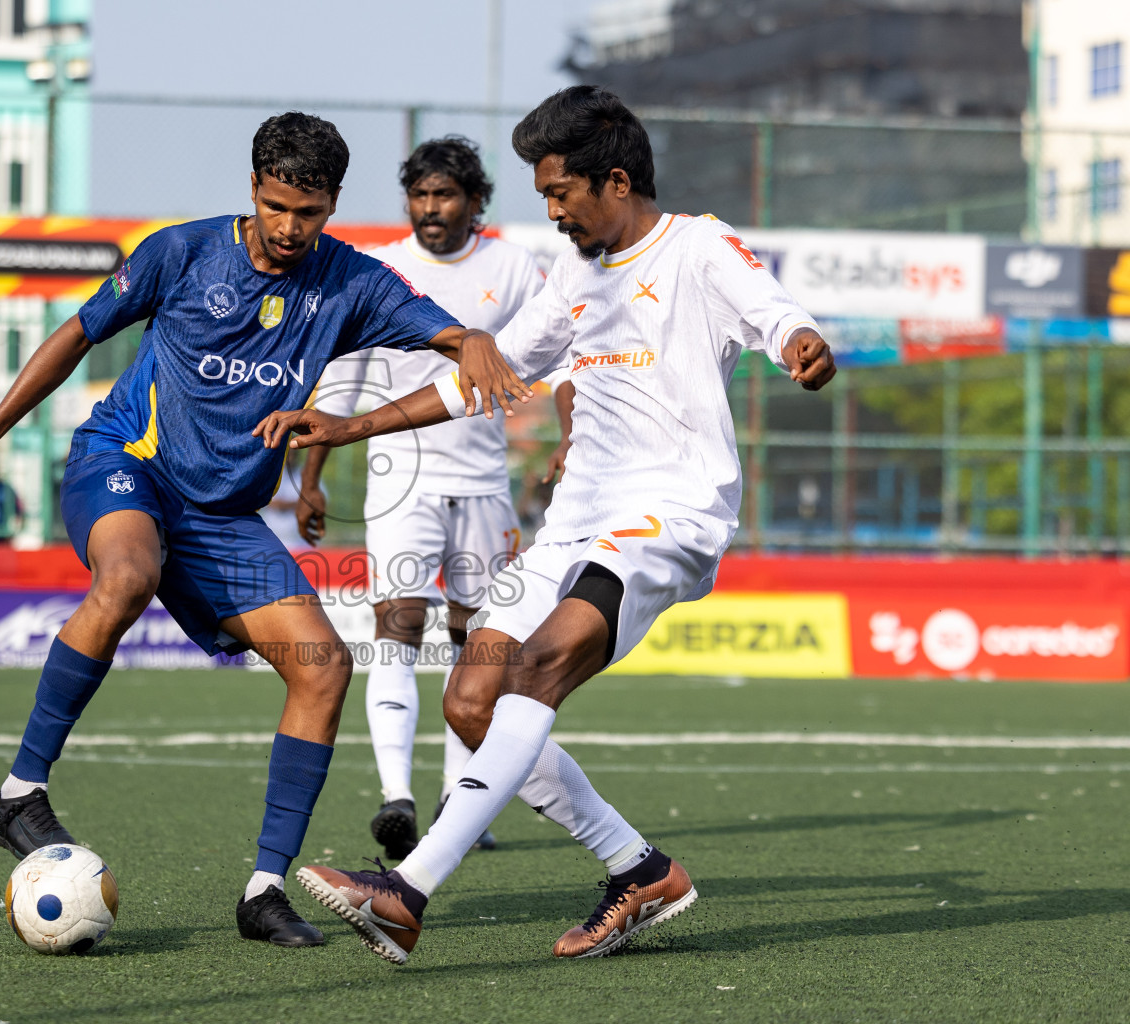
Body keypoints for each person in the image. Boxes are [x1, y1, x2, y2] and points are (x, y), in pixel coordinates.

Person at [256, 85, 836, 964]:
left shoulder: (698, 245)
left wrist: (801, 341)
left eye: (559, 193)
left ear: (613, 180)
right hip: (574, 523)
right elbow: (480, 377)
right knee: (471, 701)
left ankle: (407, 891)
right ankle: (638, 869)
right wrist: (350, 424)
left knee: (538, 667)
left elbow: (773, 309)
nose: (553, 211)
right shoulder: (572, 273)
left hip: (667, 514)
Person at [0, 112, 527, 949]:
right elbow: (77, 334)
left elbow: (442, 327)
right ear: (253, 186)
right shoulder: (180, 253)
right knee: (127, 576)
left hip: (222, 515)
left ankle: (262, 891)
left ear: (331, 204)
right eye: (278, 205)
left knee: (324, 668)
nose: (291, 228)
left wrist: (470, 339)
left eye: (311, 211)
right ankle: (19, 794)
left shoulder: (348, 283)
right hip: (126, 464)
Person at [300, 137, 544, 860]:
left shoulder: (514, 268)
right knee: (398, 621)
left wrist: (566, 439)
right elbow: (343, 380)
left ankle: (457, 799)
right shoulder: (384, 270)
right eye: (420, 195)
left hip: (482, 485)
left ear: (475, 202)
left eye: (444, 196)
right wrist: (310, 479)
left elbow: (558, 357)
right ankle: (395, 797)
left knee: (478, 646)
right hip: (399, 478)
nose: (430, 209)